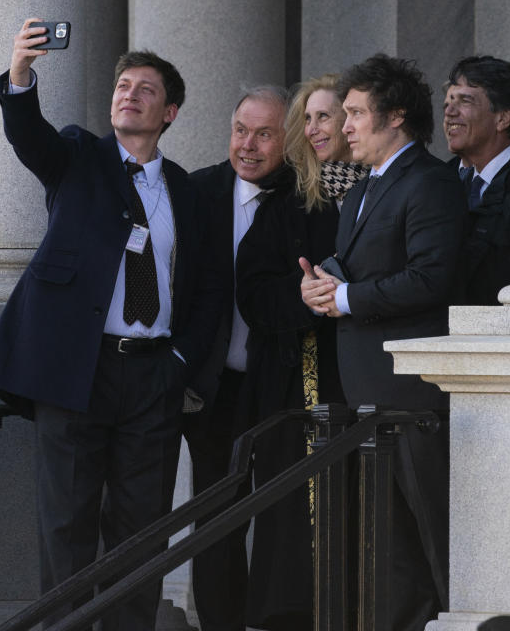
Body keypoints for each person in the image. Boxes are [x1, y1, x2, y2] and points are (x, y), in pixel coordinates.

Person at [0, 19, 222, 630]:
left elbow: (209, 286)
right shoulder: (78, 155)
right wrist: (22, 72)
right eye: (122, 86)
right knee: (67, 524)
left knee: (143, 528)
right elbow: (29, 135)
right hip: (75, 370)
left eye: (145, 90)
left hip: (153, 374)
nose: (128, 94)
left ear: (171, 113)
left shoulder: (188, 192)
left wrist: (180, 364)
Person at [299, 53, 465, 631]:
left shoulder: (430, 182)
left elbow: (431, 277)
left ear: (395, 115)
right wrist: (319, 283)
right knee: (386, 543)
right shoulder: (365, 183)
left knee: (430, 534)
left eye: (354, 113)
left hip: (413, 396)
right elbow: (352, 264)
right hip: (368, 391)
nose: (344, 127)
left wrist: (343, 299)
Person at [232, 78, 350, 630]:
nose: (317, 129)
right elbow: (253, 293)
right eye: (309, 119)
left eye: (328, 116)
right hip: (296, 387)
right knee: (291, 529)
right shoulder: (286, 203)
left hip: (371, 382)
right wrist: (300, 296)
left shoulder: (388, 187)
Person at [184, 85, 292, 631]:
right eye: (240, 131)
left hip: (283, 386)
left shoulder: (306, 195)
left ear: (289, 139)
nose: (248, 145)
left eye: (265, 134)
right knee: (216, 517)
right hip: (215, 386)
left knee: (283, 516)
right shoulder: (197, 191)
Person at [443, 55, 510, 305]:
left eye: (465, 101)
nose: (449, 112)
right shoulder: (435, 181)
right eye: (448, 102)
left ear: (503, 118)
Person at [285, 73, 370, 210]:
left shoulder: (381, 181)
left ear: (348, 118)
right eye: (307, 119)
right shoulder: (293, 199)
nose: (311, 130)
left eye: (323, 116)